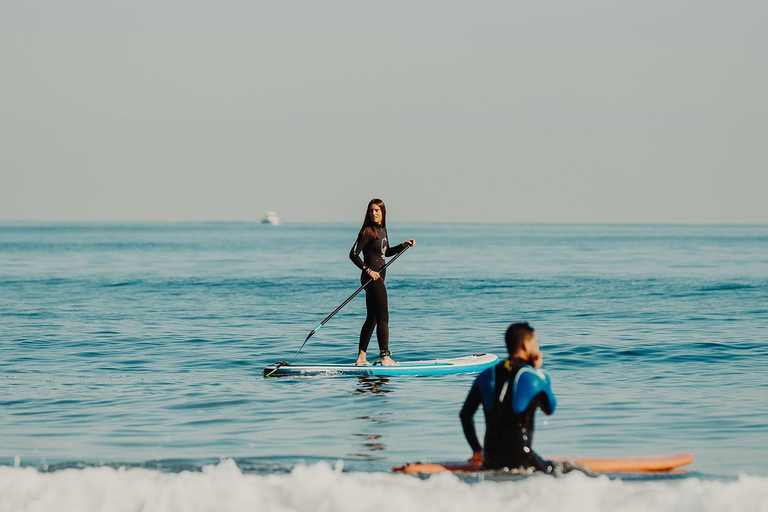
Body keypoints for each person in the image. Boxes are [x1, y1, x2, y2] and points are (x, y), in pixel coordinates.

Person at [459, 322, 559, 472]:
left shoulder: (485, 375)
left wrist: (477, 451)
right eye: (536, 343)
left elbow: (465, 415)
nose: (538, 348)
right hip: (522, 461)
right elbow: (549, 409)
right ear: (525, 345)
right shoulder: (534, 377)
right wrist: (537, 370)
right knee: (569, 470)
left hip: (490, 461)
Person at [349, 198, 415, 366]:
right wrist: (368, 271)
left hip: (378, 277)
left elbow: (386, 252)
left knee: (372, 317)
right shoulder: (368, 231)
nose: (374, 213)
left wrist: (404, 244)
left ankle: (361, 357)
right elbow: (353, 254)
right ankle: (385, 357)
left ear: (383, 212)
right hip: (371, 279)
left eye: (377, 210)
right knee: (383, 316)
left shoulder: (382, 230)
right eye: (371, 210)